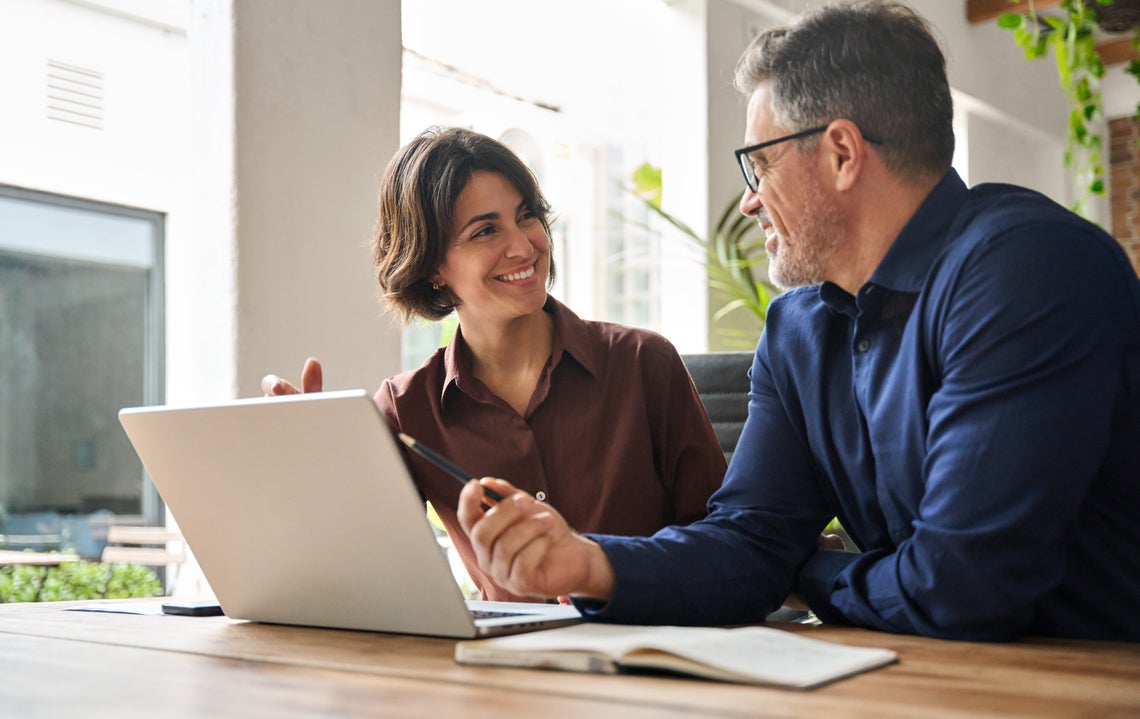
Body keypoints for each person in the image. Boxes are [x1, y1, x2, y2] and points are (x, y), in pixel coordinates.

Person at [456, 0, 1140, 642]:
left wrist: (802, 573)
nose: (749, 203)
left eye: (759, 165)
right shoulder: (797, 330)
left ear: (842, 153)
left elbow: (961, 585)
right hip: (928, 682)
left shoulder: (1027, 271)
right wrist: (584, 564)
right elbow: (750, 540)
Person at [262, 126, 726, 602]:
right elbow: (365, 569)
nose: (524, 247)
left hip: (652, 655)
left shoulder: (642, 363)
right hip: (501, 669)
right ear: (432, 267)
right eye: (485, 230)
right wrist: (314, 460)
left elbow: (725, 547)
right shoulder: (407, 410)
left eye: (527, 217)